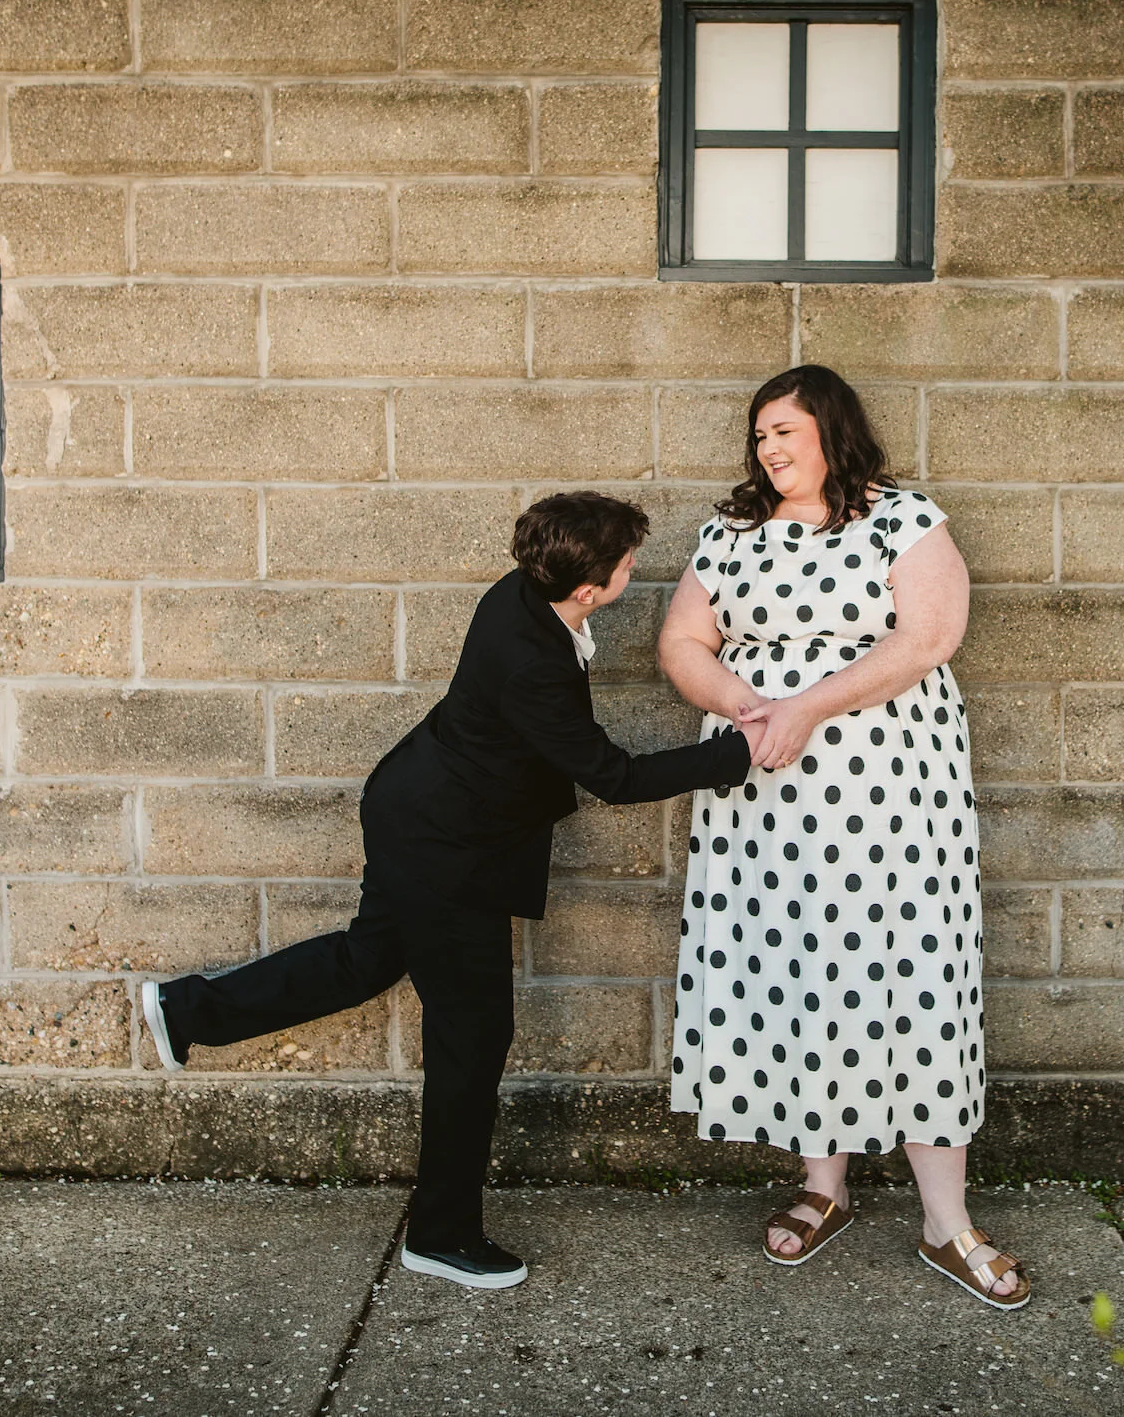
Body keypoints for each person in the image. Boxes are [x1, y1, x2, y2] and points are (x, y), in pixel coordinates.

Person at [142, 492, 757, 1290]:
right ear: (586, 588)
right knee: (474, 1037)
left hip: (419, 810)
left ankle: (187, 1010)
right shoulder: (533, 659)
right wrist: (737, 752)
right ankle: (440, 1232)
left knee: (366, 961)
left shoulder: (522, 591)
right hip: (446, 849)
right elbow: (615, 775)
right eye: (626, 562)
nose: (635, 568)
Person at [656, 365, 1029, 1311]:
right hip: (763, 801)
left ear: (831, 428)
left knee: (913, 970)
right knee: (799, 970)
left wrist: (808, 706)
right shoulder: (730, 533)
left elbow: (930, 635)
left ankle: (947, 1221)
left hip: (892, 796)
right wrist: (749, 706)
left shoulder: (901, 518)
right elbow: (681, 645)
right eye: (759, 436)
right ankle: (824, 1187)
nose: (770, 449)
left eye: (785, 430)